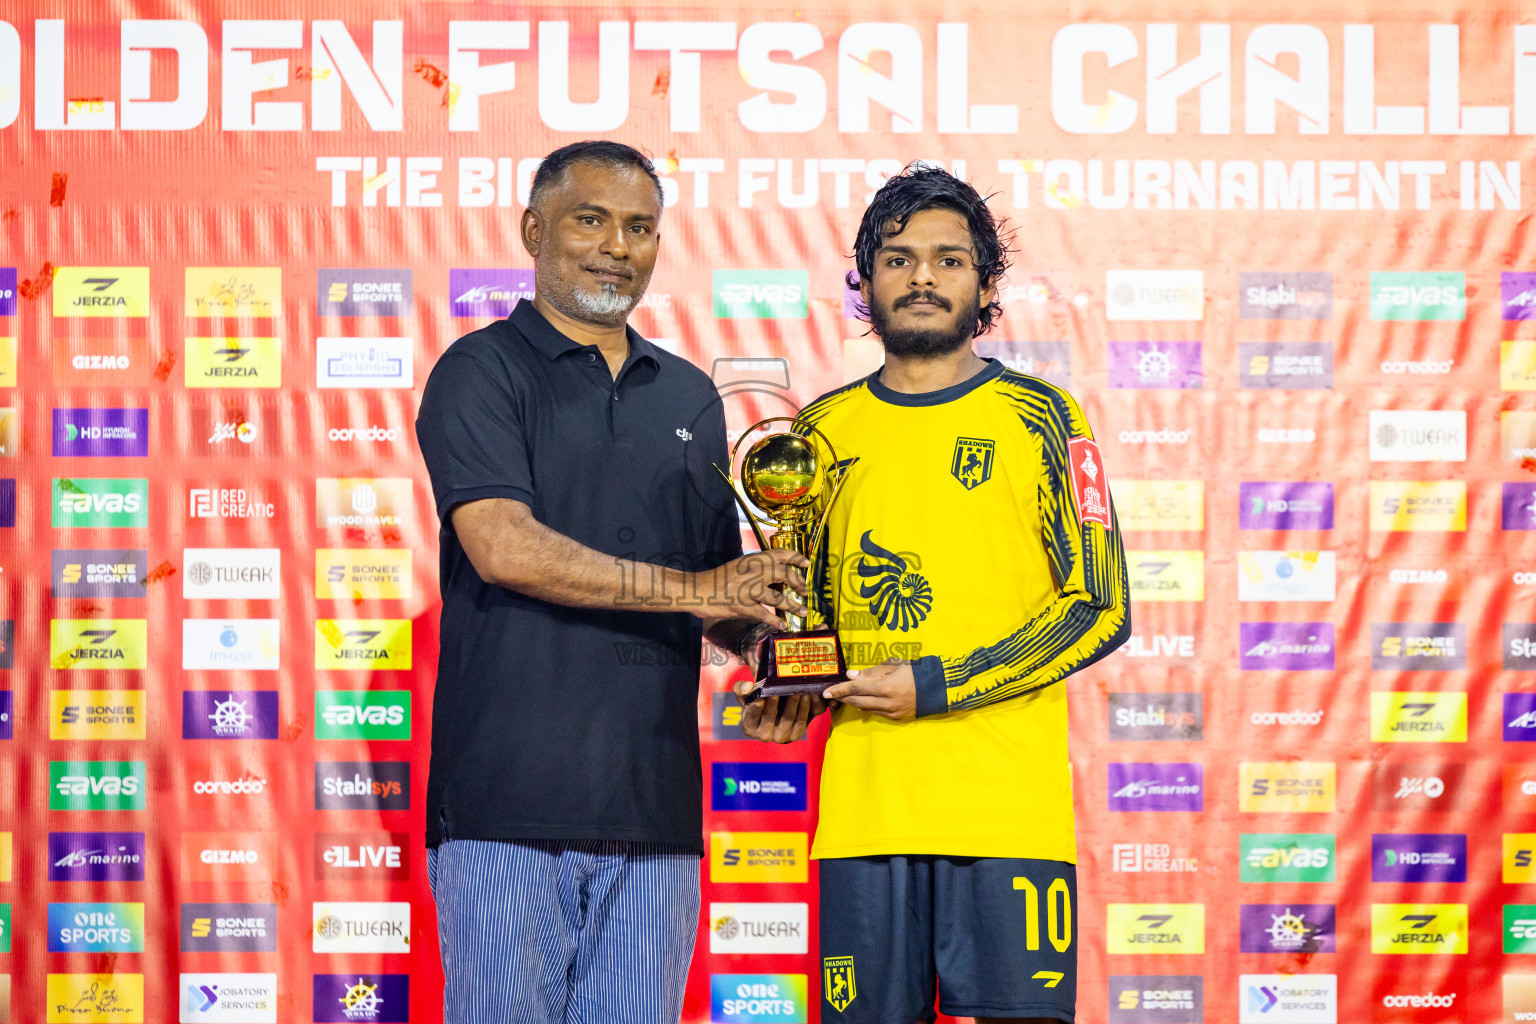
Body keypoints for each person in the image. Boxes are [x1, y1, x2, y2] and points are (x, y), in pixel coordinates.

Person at [416, 140, 807, 1024]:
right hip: (503, 810)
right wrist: (702, 592)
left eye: (639, 227)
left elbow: (720, 593)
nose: (616, 246)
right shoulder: (479, 373)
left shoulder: (689, 398)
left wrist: (782, 655)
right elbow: (504, 547)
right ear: (533, 230)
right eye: (589, 220)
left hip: (656, 812)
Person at [739, 165, 1130, 1024]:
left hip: (1005, 817)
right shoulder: (818, 435)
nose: (922, 277)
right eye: (898, 257)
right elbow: (811, 609)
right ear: (865, 278)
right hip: (864, 816)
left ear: (986, 285)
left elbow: (1100, 606)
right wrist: (785, 677)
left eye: (949, 260)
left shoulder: (1045, 419)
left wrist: (938, 684)